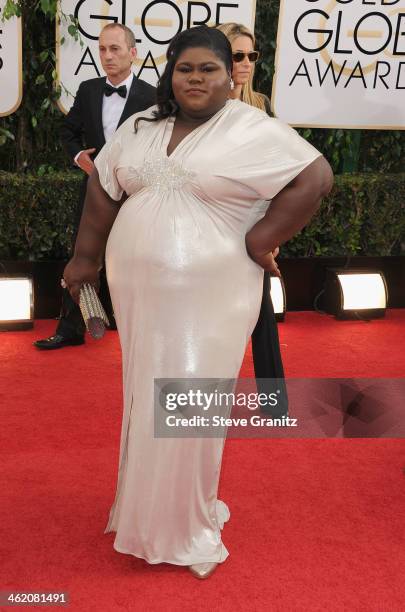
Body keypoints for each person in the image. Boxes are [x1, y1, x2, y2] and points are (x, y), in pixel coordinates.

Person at [63, 25, 333, 579]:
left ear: (228, 76)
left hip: (215, 291)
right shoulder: (141, 126)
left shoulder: (251, 128)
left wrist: (262, 239)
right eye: (184, 68)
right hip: (140, 293)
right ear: (169, 72)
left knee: (189, 395)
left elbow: (315, 176)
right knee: (147, 391)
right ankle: (145, 511)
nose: (195, 78)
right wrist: (84, 258)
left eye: (208, 68)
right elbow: (103, 187)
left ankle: (182, 523)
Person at [34, 23, 156, 350]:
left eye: (115, 49)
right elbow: (68, 132)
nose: (107, 56)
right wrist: (81, 159)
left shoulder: (152, 96)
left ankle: (137, 328)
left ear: (133, 53)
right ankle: (72, 328)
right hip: (94, 191)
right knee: (83, 255)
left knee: (136, 257)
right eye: (102, 49)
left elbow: (160, 144)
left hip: (135, 195)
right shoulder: (88, 90)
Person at [218, 22, 287, 416]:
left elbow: (278, 171)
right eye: (237, 55)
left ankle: (273, 399)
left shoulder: (261, 106)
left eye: (251, 56)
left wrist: (272, 230)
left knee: (262, 311)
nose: (245, 64)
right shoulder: (206, 108)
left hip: (254, 223)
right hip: (215, 221)